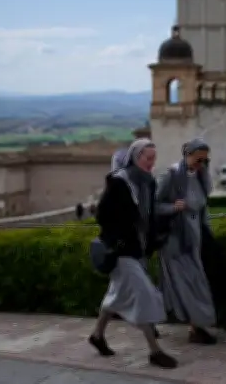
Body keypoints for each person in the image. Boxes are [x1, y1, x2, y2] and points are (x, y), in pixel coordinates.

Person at [88, 138, 181, 369]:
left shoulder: (147, 182)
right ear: (136, 157)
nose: (151, 162)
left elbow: (148, 217)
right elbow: (102, 215)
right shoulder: (120, 182)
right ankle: (154, 351)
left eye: (153, 159)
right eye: (147, 158)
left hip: (137, 250)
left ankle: (97, 336)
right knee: (145, 295)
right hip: (121, 251)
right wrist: (120, 236)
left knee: (115, 295)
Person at [155, 139, 218, 345]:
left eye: (205, 161)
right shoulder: (171, 175)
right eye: (198, 159)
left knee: (193, 283)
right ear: (187, 155)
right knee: (187, 284)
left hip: (194, 240)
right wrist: (173, 207)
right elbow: (152, 206)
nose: (201, 164)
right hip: (175, 242)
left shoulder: (199, 176)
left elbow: (202, 207)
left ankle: (193, 326)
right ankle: (196, 327)